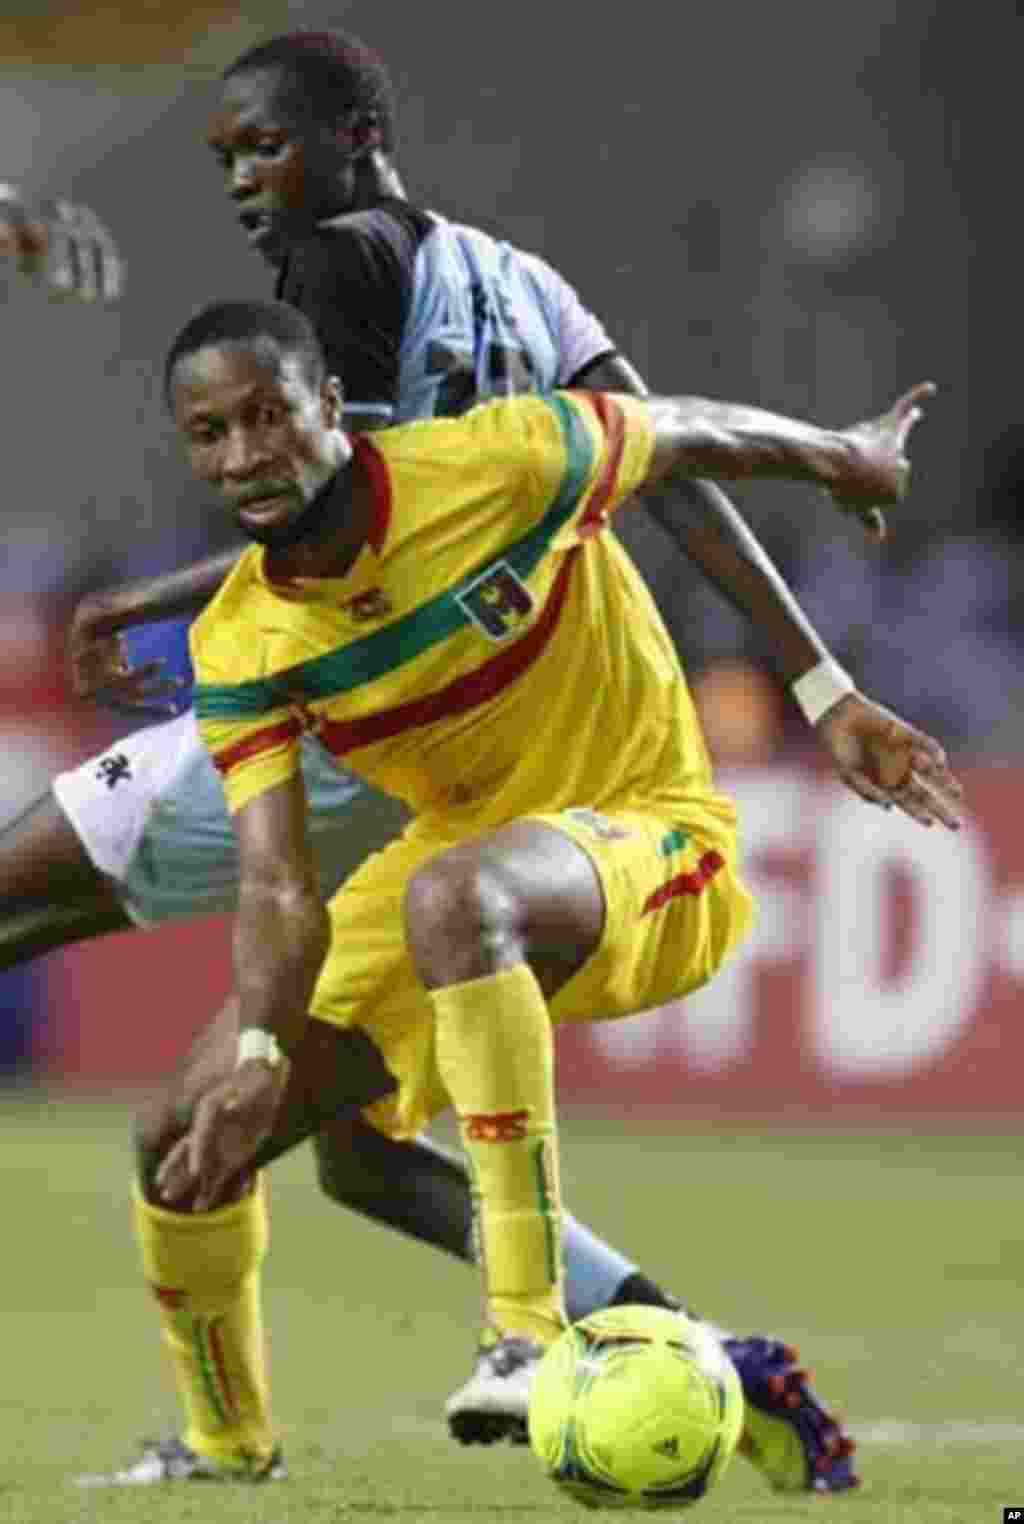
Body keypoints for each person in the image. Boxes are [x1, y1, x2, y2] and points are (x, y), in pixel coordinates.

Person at [2, 31, 924, 1493]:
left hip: (526, 768)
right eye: (226, 159)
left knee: (40, 893)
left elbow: (604, 452)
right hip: (416, 765)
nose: (249, 184)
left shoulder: (360, 303)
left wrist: (839, 489)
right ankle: (676, 1362)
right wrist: (820, 662)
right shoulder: (513, 285)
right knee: (270, 1135)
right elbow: (664, 461)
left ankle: (523, 1333)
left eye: (262, 148)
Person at [136, 298, 959, 1490]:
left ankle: (521, 1331)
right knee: (210, 1142)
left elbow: (679, 433)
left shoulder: (494, 464)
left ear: (330, 409)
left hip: (653, 837)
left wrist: (840, 475)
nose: (246, 455)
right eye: (209, 432)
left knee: (456, 900)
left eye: (269, 415)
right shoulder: (243, 640)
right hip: (457, 866)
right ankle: (229, 1450)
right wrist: (262, 1043)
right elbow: (275, 880)